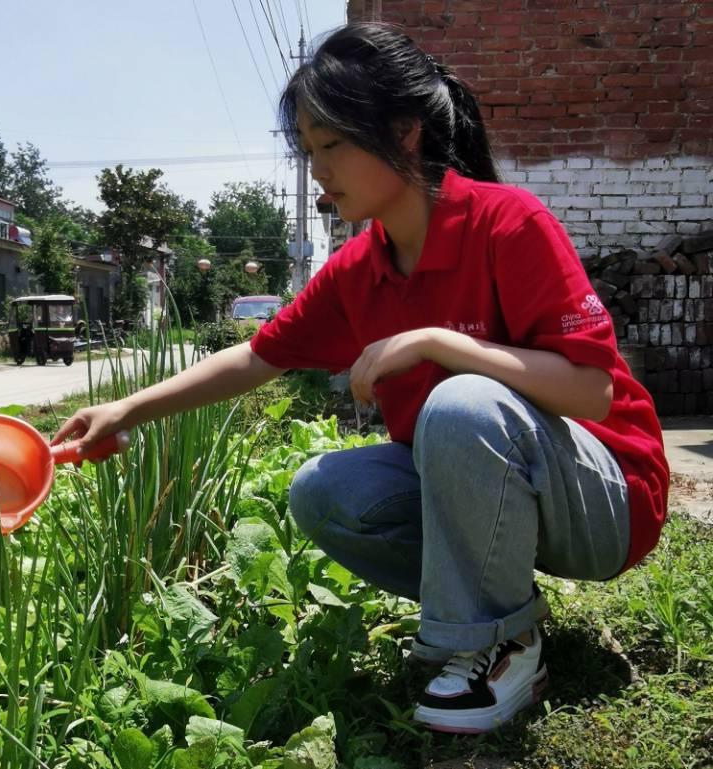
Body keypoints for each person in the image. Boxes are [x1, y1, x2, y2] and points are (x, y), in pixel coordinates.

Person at [52, 22, 669, 734]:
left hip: (609, 498)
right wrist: (126, 409)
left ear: (404, 134)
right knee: (325, 491)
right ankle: (501, 619)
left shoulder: (507, 225)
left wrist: (439, 342)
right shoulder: (359, 270)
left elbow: (591, 392)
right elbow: (258, 356)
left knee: (461, 403)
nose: (319, 169)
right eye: (310, 150)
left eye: (333, 143)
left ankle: (500, 647)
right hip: (519, 491)